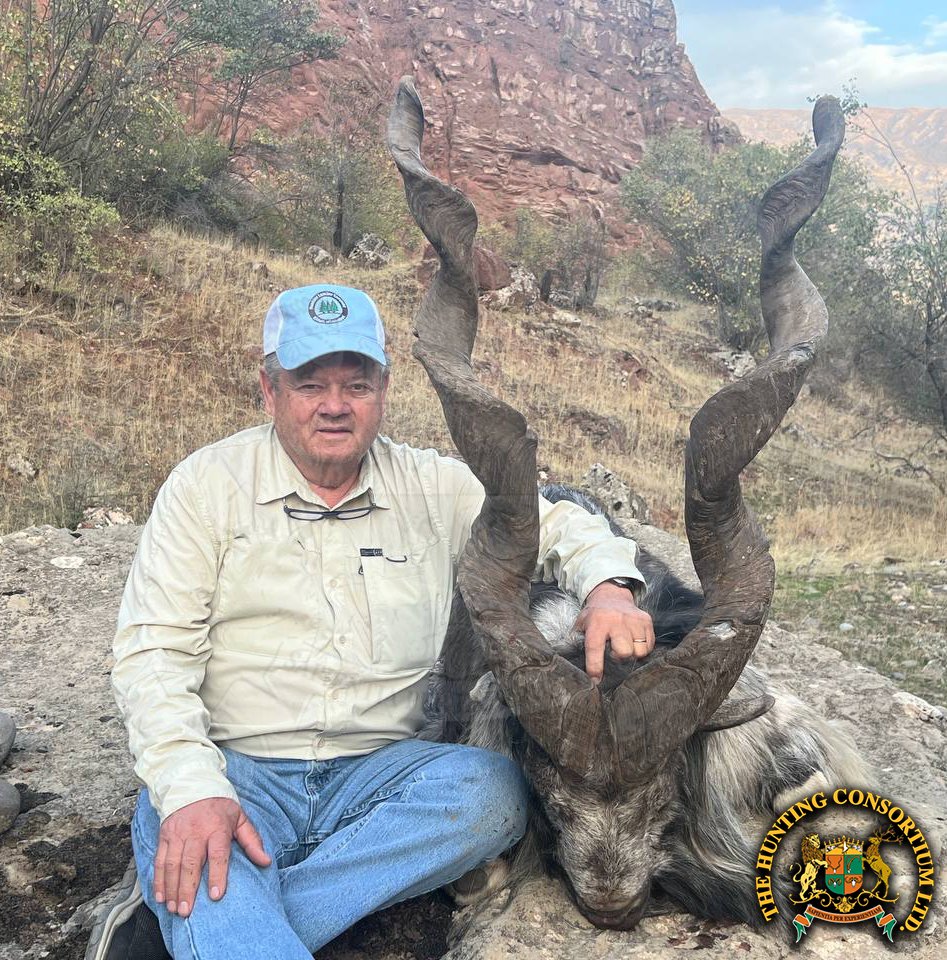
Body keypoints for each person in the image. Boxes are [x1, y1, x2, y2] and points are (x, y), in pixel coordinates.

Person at [90, 284, 654, 960]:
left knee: (493, 794)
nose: (334, 405)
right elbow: (152, 656)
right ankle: (218, 907)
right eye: (309, 384)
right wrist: (190, 791)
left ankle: (193, 917)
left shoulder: (434, 486)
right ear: (269, 390)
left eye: (355, 384)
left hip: (378, 774)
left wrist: (610, 586)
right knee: (194, 823)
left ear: (383, 391)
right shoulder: (205, 486)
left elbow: (549, 519)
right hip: (236, 767)